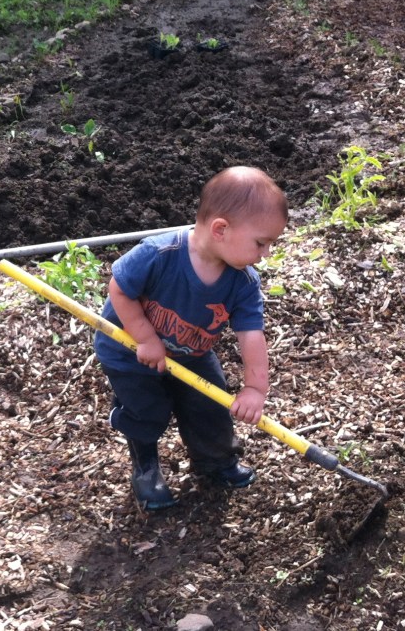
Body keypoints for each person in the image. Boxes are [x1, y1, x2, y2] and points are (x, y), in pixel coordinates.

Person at [95, 166, 288, 511]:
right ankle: (145, 468)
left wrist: (255, 388)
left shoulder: (242, 282)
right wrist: (145, 338)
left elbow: (251, 334)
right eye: (261, 243)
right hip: (129, 352)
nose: (265, 253)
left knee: (210, 406)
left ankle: (215, 462)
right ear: (220, 229)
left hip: (191, 353)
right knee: (146, 410)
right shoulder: (159, 254)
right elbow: (119, 290)